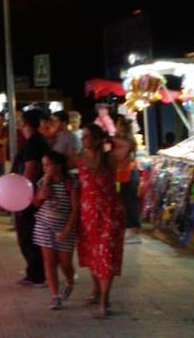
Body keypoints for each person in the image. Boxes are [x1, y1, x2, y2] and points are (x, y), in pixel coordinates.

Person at [77, 123, 124, 318]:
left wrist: (108, 139)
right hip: (87, 212)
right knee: (91, 253)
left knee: (106, 253)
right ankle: (97, 291)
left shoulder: (110, 158)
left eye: (87, 136)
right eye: (83, 136)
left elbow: (127, 146)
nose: (83, 139)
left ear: (96, 139)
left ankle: (105, 299)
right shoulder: (78, 158)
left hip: (109, 212)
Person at [33, 150, 78, 310]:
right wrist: (43, 189)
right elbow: (36, 202)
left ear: (58, 166)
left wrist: (67, 229)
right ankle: (55, 295)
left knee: (65, 263)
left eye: (48, 165)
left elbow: (75, 209)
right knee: (49, 261)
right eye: (43, 165)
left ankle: (70, 281)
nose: (45, 168)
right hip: (45, 225)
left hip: (65, 227)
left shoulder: (70, 182)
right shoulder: (43, 181)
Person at [13, 108, 50, 287]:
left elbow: (31, 169)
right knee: (32, 235)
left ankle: (37, 274)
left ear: (26, 124)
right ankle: (36, 272)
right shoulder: (39, 141)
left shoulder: (32, 144)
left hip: (31, 197)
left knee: (28, 235)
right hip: (36, 195)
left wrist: (22, 194)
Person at [115, 117, 141, 243]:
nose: (116, 128)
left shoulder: (126, 141)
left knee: (130, 202)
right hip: (124, 175)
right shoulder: (124, 140)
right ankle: (130, 229)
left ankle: (133, 230)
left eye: (117, 125)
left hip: (129, 174)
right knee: (126, 202)